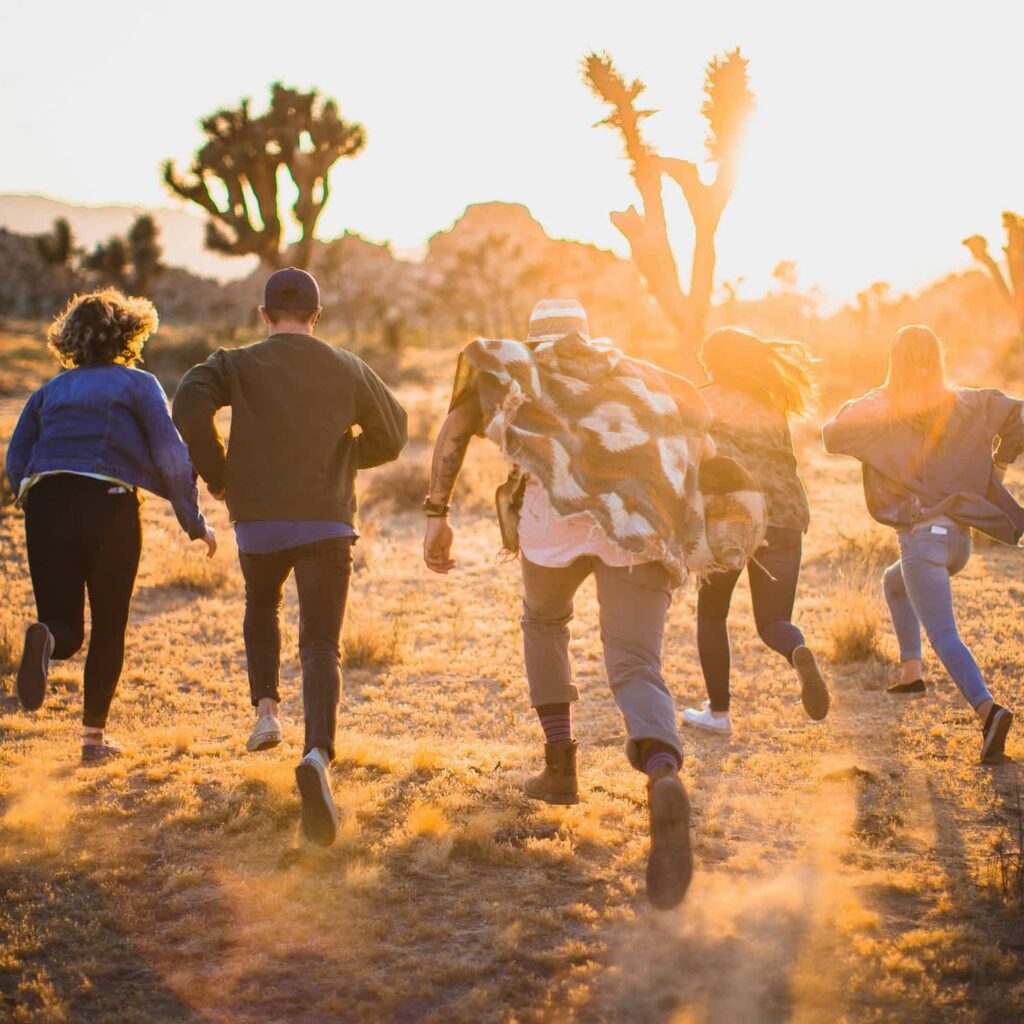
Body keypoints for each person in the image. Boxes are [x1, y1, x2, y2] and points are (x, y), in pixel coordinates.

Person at [423, 299, 720, 910]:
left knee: (544, 624)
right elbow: (702, 433)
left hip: (550, 528)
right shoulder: (637, 375)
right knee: (635, 661)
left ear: (534, 339)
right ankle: (663, 771)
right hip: (635, 527)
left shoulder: (519, 369)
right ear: (587, 335)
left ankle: (560, 768)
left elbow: (454, 428)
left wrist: (437, 511)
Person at [173, 268, 407, 846]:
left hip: (258, 521)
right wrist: (343, 457)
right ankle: (317, 755)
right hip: (327, 519)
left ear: (265, 315)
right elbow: (395, 431)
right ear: (316, 316)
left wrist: (220, 473)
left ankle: (266, 714)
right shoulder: (347, 366)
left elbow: (187, 403)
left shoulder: (235, 363)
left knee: (262, 604)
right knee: (321, 643)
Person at [5, 289, 215, 763]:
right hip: (109, 504)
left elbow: (17, 459)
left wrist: (34, 501)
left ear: (70, 338)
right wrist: (194, 522)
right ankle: (92, 741)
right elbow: (171, 455)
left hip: (47, 501)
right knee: (108, 625)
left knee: (64, 626)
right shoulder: (139, 384)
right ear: (128, 334)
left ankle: (47, 639)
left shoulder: (48, 392)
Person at [823, 324, 1024, 761]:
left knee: (945, 634)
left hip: (922, 541)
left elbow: (832, 433)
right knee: (894, 582)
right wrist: (1000, 463)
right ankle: (912, 673)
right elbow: (1020, 417)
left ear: (894, 363)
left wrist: (878, 393)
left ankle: (988, 711)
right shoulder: (969, 401)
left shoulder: (883, 409)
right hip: (959, 543)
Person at [682, 327, 830, 735]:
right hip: (785, 515)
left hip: (732, 518)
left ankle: (718, 714)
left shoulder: (702, 400)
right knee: (773, 621)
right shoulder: (771, 404)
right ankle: (796, 649)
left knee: (712, 613)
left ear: (713, 363)